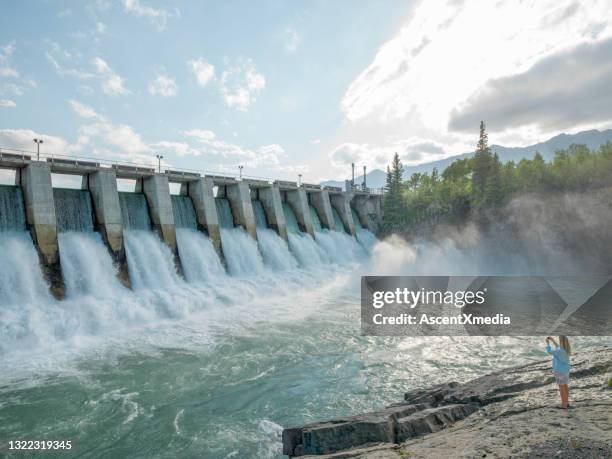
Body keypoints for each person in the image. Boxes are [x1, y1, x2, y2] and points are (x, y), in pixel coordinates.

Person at [546, 336, 571, 409]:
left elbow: (549, 352)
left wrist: (548, 344)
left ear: (561, 342)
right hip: (566, 370)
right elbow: (558, 347)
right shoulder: (566, 349)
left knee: (561, 387)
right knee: (565, 386)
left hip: (559, 371)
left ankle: (564, 404)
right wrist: (553, 341)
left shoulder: (559, 351)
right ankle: (566, 402)